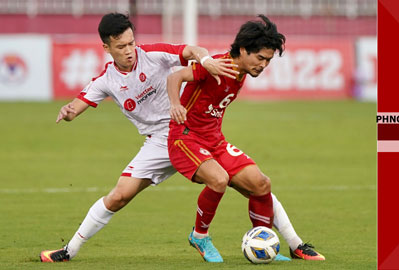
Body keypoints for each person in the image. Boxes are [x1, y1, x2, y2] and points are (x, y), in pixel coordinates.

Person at [40, 12, 322, 263]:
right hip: (167, 140)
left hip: (197, 133)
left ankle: (293, 244)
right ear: (107, 48)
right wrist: (69, 111)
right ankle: (69, 250)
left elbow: (192, 50)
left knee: (258, 184)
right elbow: (79, 103)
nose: (129, 50)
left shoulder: (154, 54)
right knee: (119, 197)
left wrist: (206, 60)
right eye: (121, 46)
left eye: (131, 42)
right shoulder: (106, 81)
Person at [167, 14, 325, 263]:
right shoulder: (218, 65)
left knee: (261, 183)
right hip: (185, 138)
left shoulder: (241, 73)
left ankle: (265, 243)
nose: (263, 65)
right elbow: (174, 77)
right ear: (242, 50)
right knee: (219, 179)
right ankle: (199, 235)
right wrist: (175, 105)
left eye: (268, 60)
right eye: (259, 58)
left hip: (214, 141)